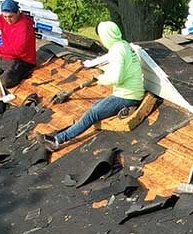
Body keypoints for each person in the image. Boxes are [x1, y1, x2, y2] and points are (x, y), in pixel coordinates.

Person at [43, 20, 146, 152]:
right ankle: (125, 109)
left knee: (92, 114)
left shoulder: (117, 51)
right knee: (96, 105)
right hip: (133, 93)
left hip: (126, 96)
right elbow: (123, 68)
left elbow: (117, 78)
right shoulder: (123, 45)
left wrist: (102, 79)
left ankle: (57, 140)